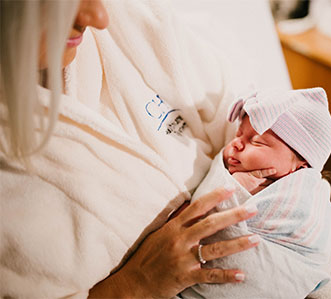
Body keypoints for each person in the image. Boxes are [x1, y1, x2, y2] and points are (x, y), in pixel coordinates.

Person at [0, 0, 275, 297]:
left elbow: (238, 109)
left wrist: (281, 174)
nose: (99, 18)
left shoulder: (129, 23)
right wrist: (136, 283)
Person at [180, 88, 331, 298]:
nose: (236, 143)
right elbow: (196, 225)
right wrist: (235, 185)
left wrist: (232, 190)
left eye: (257, 142)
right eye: (238, 134)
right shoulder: (235, 170)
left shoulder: (303, 195)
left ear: (300, 166)